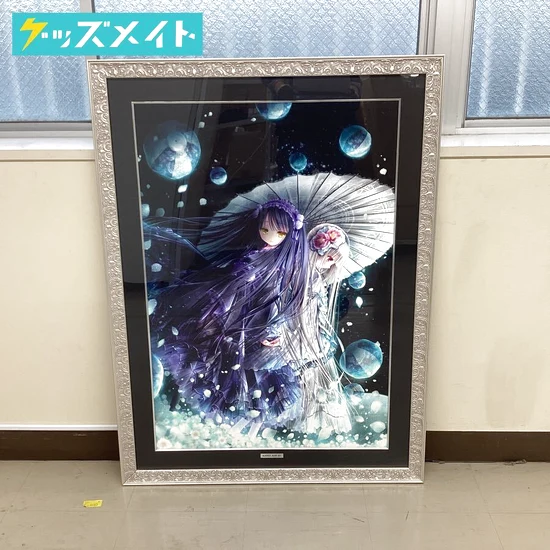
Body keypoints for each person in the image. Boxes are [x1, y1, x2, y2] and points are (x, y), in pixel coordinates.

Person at [147, 199, 309, 431]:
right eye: (265, 229)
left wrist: (273, 329)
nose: (271, 236)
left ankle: (241, 427)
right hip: (233, 319)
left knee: (253, 380)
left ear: (291, 234)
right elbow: (228, 289)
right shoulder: (249, 255)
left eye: (280, 232)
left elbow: (278, 301)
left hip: (257, 325)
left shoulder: (282, 268)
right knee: (217, 366)